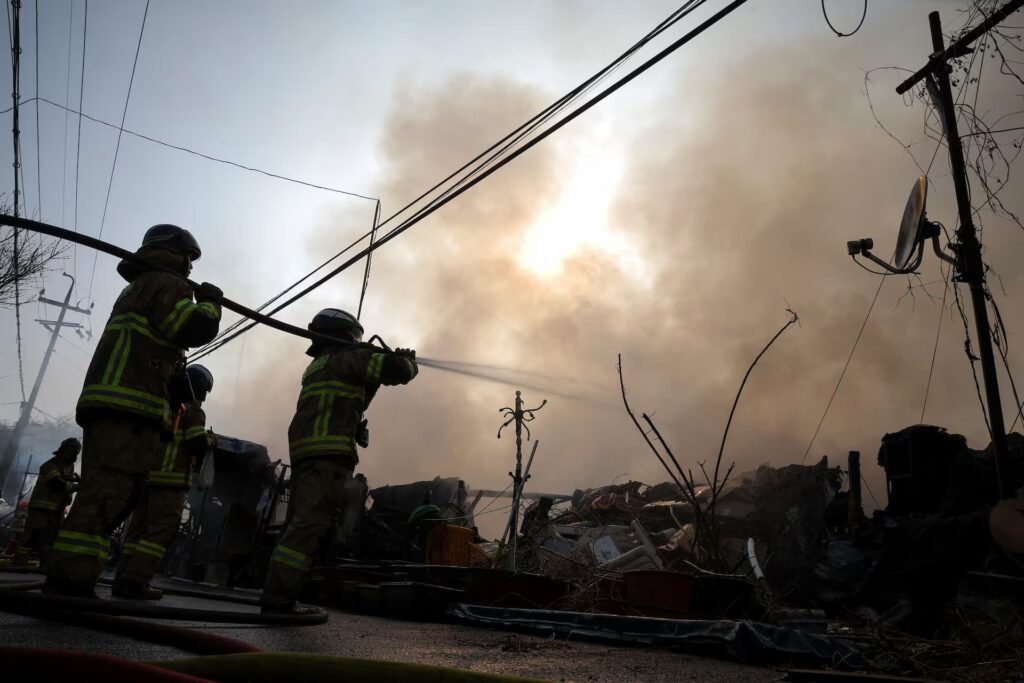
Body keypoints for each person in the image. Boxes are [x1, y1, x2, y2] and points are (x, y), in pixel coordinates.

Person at [46, 224, 222, 597]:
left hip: (118, 407)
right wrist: (209, 304)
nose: (191, 267)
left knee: (109, 493)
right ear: (175, 253)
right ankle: (70, 583)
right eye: (188, 257)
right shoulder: (169, 284)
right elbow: (190, 327)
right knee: (107, 493)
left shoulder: (141, 286)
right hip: (129, 408)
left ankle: (74, 578)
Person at [261, 308, 418, 614]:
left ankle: (282, 593)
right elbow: (396, 371)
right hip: (327, 456)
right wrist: (409, 361)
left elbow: (361, 389)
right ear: (348, 336)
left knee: (299, 525)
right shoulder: (349, 358)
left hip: (307, 455)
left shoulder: (319, 365)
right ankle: (278, 600)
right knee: (309, 526)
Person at [113, 364, 215, 599]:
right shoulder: (192, 412)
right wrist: (210, 441)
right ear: (198, 389)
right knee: (160, 533)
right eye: (204, 391)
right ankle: (136, 581)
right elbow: (195, 444)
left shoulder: (165, 407)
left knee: (138, 532)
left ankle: (122, 578)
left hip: (147, 480)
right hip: (170, 482)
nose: (204, 397)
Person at [13, 438, 81, 566]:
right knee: (30, 537)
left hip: (56, 510)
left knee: (49, 540)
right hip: (40, 508)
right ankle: (19, 564)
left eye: (72, 451)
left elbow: (65, 479)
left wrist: (75, 480)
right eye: (67, 449)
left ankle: (45, 566)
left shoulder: (69, 466)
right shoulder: (50, 464)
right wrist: (76, 487)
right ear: (62, 449)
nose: (68, 453)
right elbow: (55, 482)